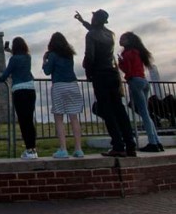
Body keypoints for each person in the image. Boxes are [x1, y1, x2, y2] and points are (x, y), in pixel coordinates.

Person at [80, 9, 136, 158]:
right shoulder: (110, 34)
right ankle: (130, 145)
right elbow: (95, 31)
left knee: (108, 110)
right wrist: (82, 21)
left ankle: (118, 145)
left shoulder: (91, 35)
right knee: (120, 110)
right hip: (113, 74)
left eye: (93, 18)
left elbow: (89, 56)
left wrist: (88, 72)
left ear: (96, 19)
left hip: (100, 74)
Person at [118, 32, 164, 152]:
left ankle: (153, 143)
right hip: (143, 81)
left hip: (135, 81)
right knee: (146, 113)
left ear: (128, 40)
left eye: (123, 39)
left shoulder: (128, 53)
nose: (120, 40)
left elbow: (127, 69)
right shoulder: (138, 52)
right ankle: (157, 141)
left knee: (144, 113)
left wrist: (120, 63)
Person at [42, 32, 84, 158]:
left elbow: (47, 71)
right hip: (72, 84)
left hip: (59, 85)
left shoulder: (53, 55)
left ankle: (63, 149)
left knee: (59, 118)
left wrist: (45, 60)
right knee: (74, 118)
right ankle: (78, 149)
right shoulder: (69, 54)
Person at [0, 37, 38, 160]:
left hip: (19, 90)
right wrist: (9, 50)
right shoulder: (28, 57)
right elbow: (20, 58)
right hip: (31, 90)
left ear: (15, 47)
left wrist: (1, 78)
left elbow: (7, 72)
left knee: (23, 120)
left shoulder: (14, 59)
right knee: (29, 120)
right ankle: (33, 148)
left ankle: (29, 150)